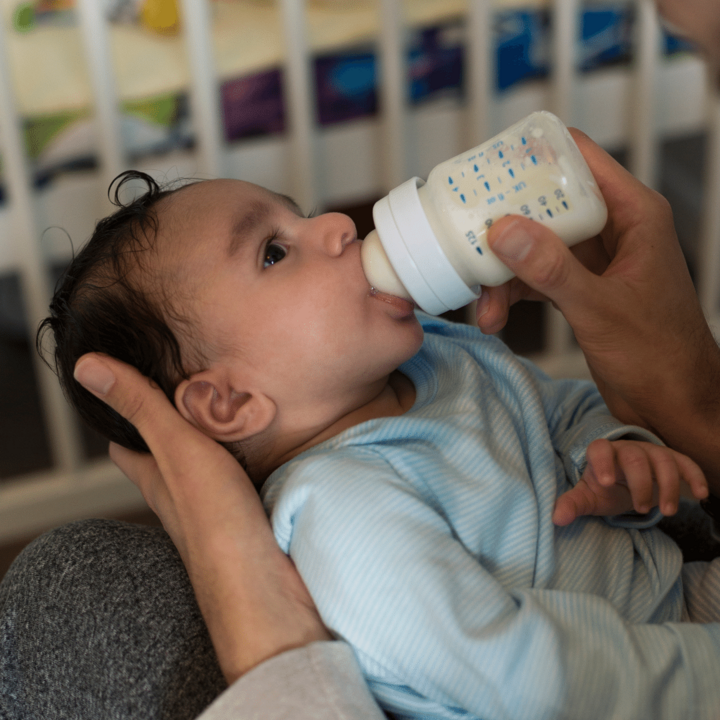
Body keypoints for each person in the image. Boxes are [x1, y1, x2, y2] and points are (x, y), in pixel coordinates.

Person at [2, 1, 720, 717]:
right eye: (275, 251)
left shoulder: (438, 359)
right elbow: (516, 678)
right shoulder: (342, 510)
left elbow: (558, 410)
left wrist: (615, 449)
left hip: (670, 596)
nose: (340, 224)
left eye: (301, 213)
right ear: (229, 401)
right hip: (631, 681)